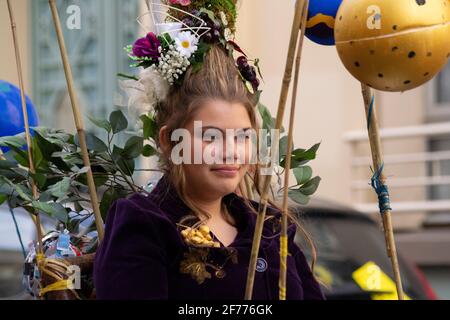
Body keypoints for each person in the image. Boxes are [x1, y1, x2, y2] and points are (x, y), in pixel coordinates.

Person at [94, 1, 324, 300]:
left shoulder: (269, 227)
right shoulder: (144, 225)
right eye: (211, 137)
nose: (231, 152)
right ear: (169, 140)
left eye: (242, 137)